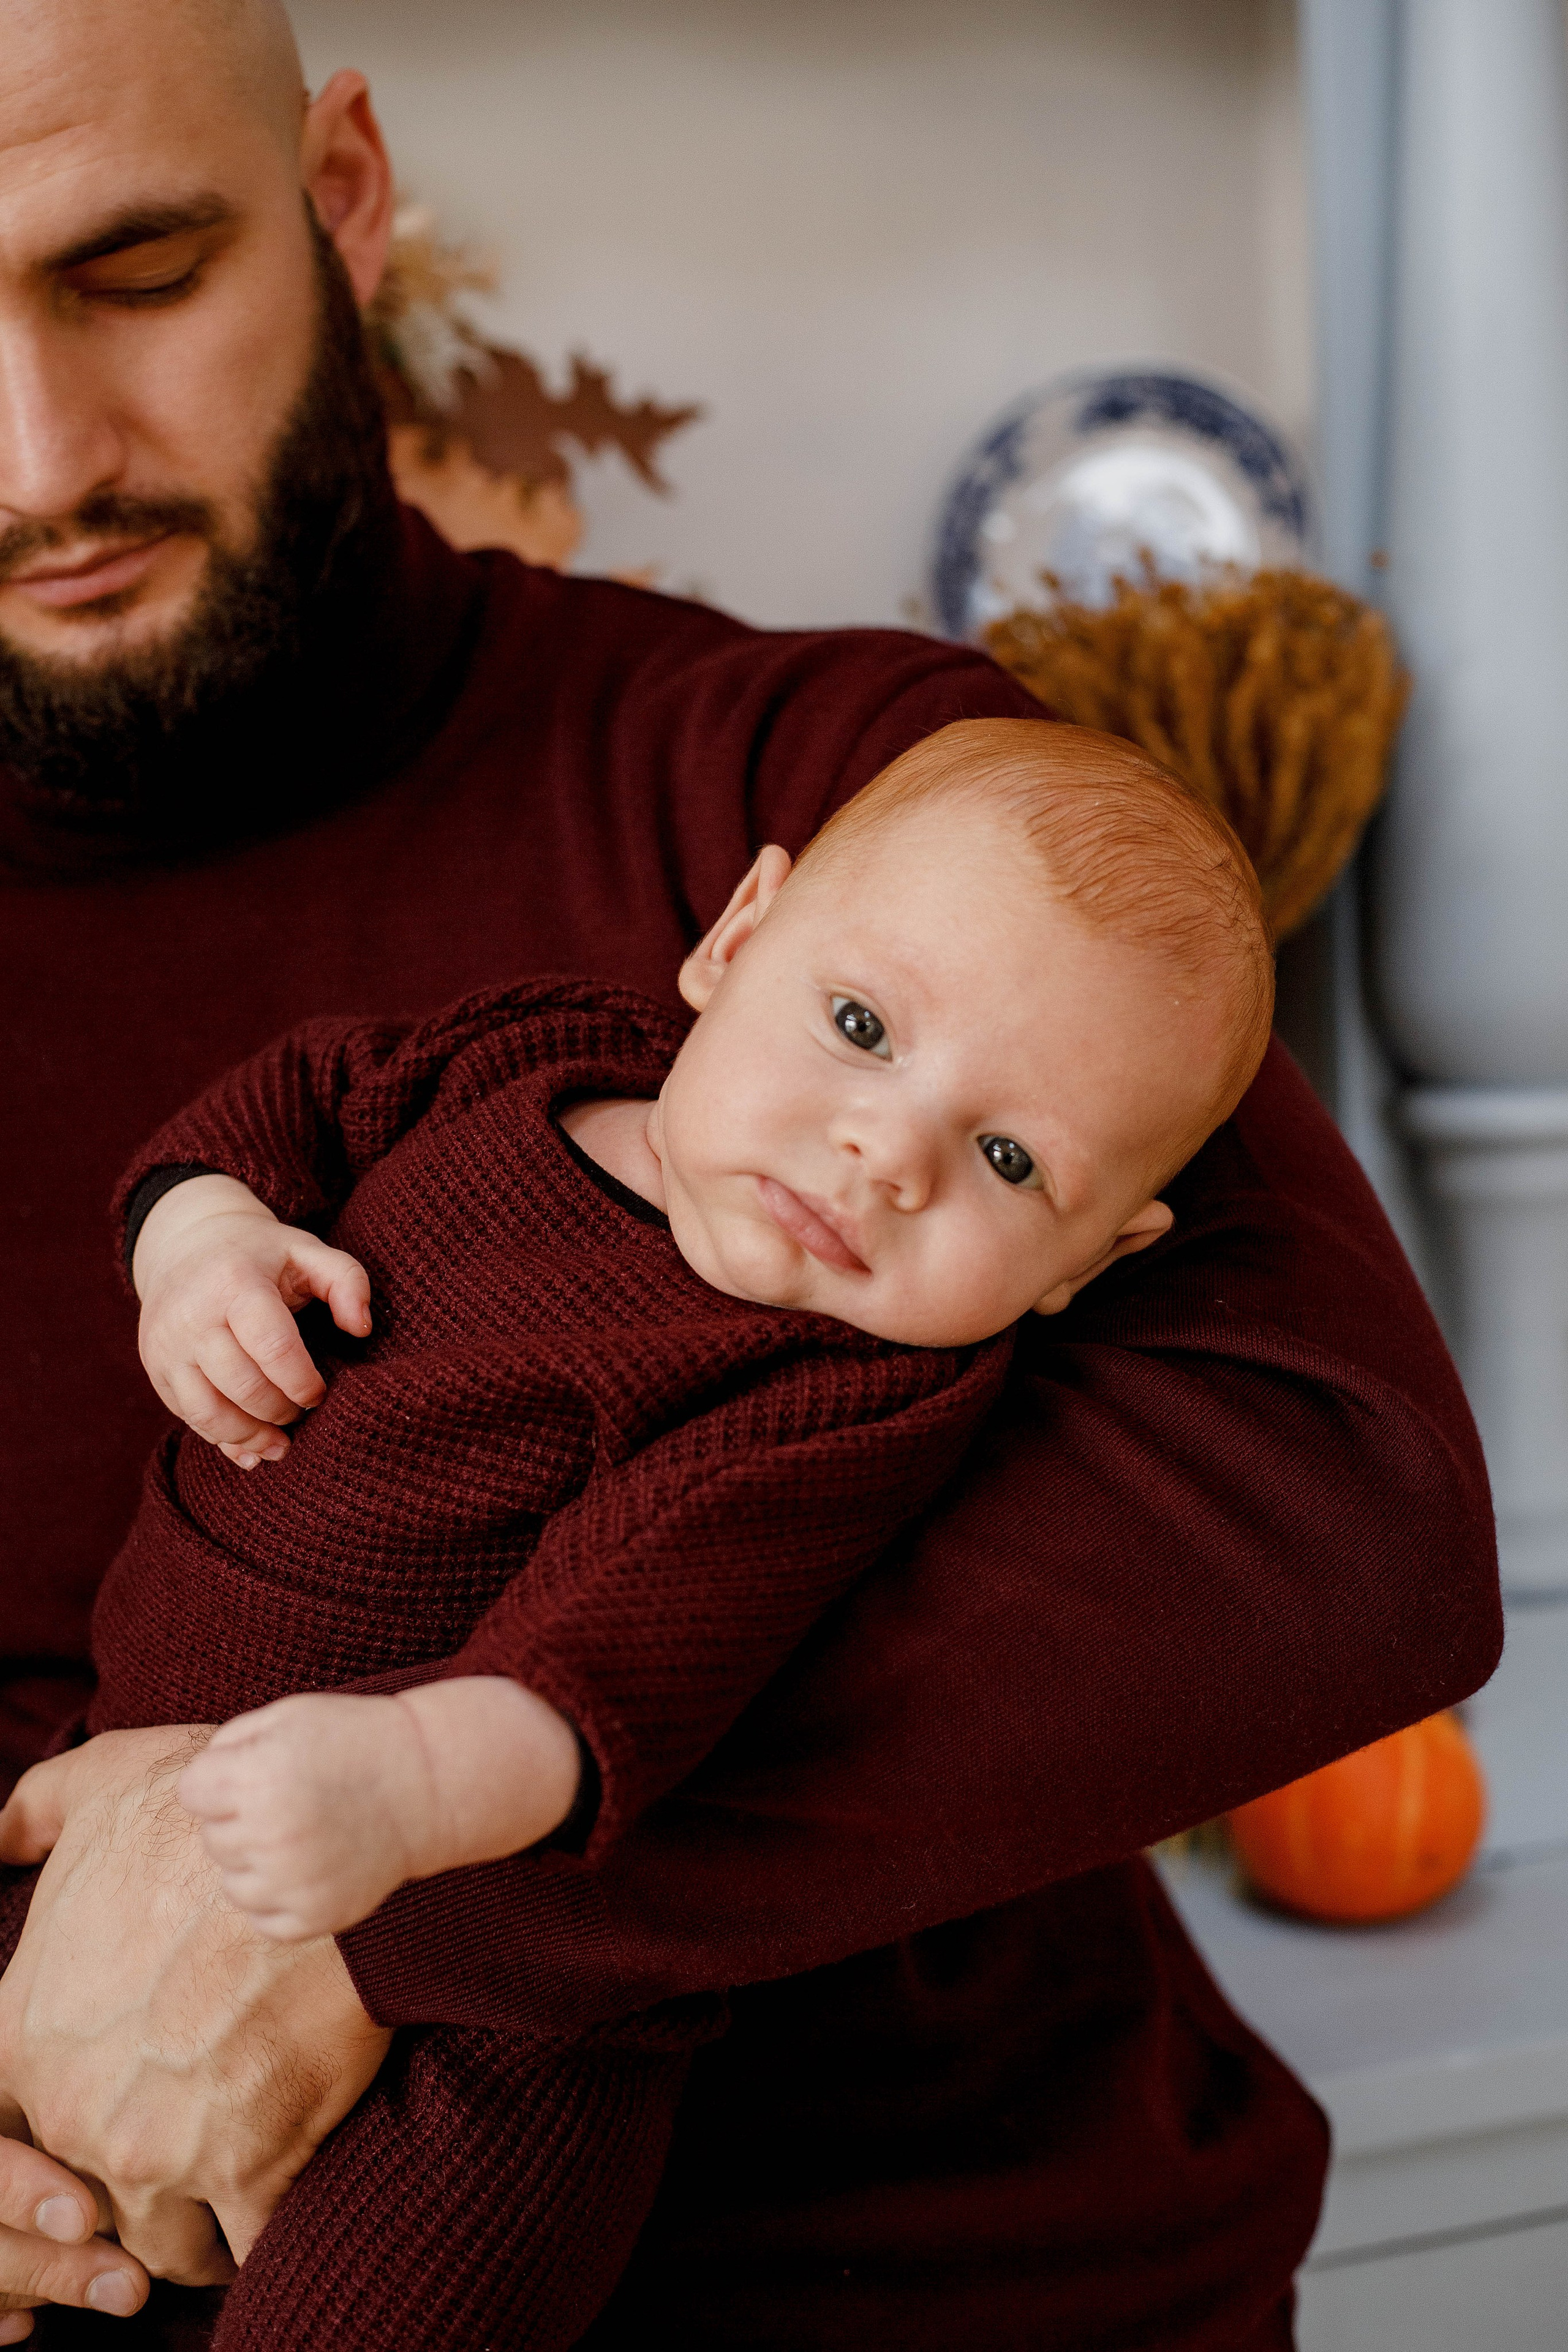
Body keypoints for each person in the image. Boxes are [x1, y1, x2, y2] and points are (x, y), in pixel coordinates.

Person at [0, 1, 1500, 2345]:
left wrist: (392, 1901)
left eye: (139, 271)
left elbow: (1340, 1508)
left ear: (344, 195)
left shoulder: (841, 792)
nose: (44, 454)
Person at [5, 720, 1275, 2350]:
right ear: (736, 939)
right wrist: (206, 1240)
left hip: (489, 2006)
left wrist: (404, 1790)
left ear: (1087, 1264)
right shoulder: (533, 1054)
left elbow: (628, 1655)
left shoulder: (846, 1389)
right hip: (112, 1768)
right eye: (861, 1025)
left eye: (1012, 1160)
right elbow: (298, 1092)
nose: (885, 1153)